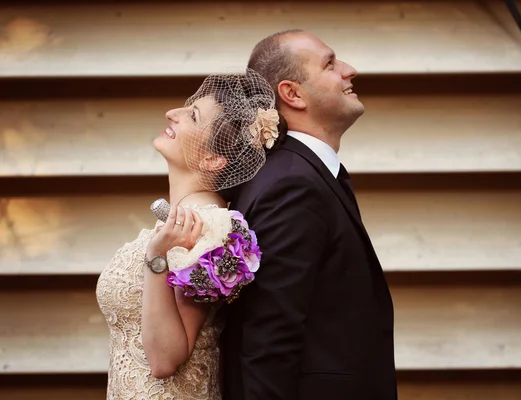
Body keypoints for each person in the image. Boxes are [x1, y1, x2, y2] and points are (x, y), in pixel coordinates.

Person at [221, 30, 397, 399]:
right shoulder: (292, 185)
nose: (350, 70)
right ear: (293, 94)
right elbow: (269, 337)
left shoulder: (302, 173)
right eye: (330, 64)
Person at [96, 69, 282, 399]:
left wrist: (156, 260)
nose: (173, 113)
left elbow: (166, 359)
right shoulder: (180, 224)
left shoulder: (209, 231)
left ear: (213, 158)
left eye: (192, 115)